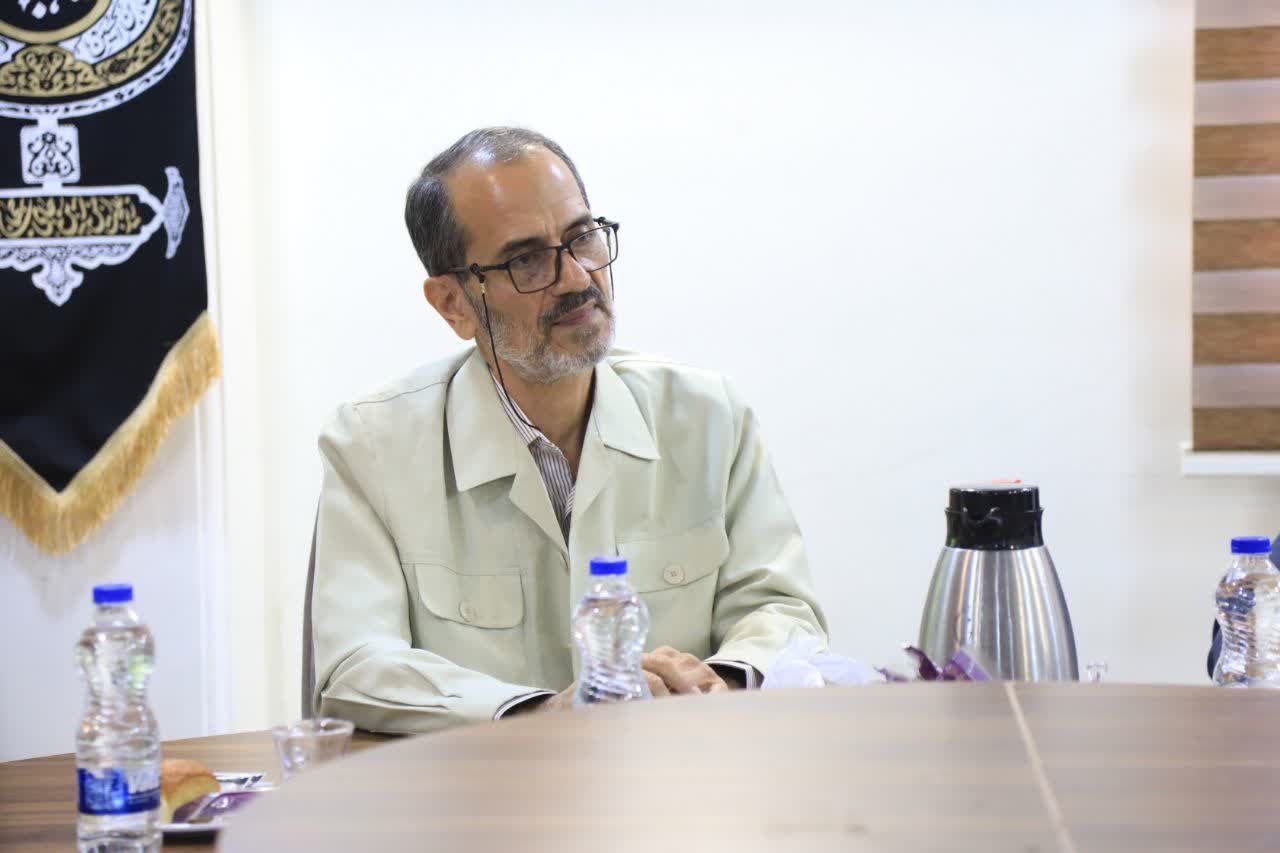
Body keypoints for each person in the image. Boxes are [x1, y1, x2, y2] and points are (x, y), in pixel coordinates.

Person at [309, 127, 827, 732]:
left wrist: (714, 682)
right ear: (453, 303)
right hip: (485, 784)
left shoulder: (707, 415)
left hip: (679, 771)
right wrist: (542, 714)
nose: (578, 278)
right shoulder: (373, 445)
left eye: (582, 238)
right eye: (526, 260)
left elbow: (781, 610)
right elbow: (357, 664)